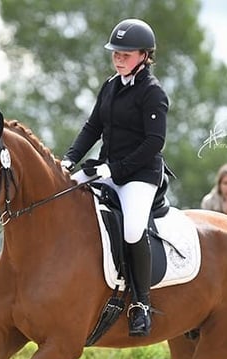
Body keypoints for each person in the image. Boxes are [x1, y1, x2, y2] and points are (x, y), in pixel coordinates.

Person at [60, 18, 168, 337]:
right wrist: (68, 160)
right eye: (115, 53)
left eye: (125, 54)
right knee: (62, 196)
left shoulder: (152, 92)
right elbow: (92, 127)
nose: (118, 58)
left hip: (139, 175)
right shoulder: (110, 86)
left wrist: (115, 169)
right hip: (108, 169)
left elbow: (154, 142)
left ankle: (141, 305)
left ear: (144, 55)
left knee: (133, 230)